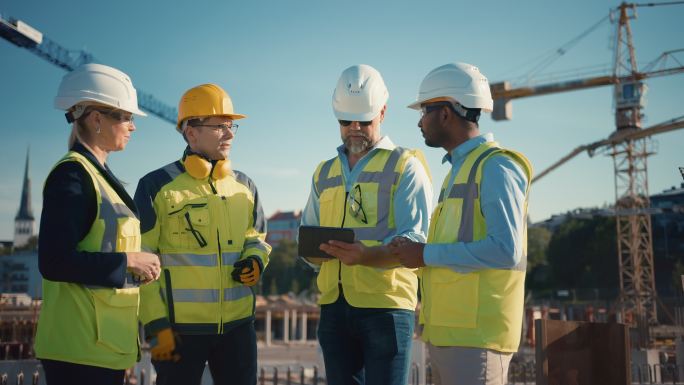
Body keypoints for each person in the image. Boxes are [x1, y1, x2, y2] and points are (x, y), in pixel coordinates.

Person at [391, 62, 533, 385]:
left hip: (479, 340)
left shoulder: (496, 167)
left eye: (425, 110)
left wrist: (425, 254)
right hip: (450, 336)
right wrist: (414, 253)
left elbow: (506, 250)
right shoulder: (459, 169)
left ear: (446, 113)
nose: (419, 120)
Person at [301, 64, 433, 385]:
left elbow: (415, 240)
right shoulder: (324, 171)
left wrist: (365, 255)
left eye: (364, 120)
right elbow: (307, 235)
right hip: (334, 306)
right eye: (346, 121)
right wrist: (317, 250)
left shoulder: (405, 166)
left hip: (386, 308)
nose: (355, 128)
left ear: (383, 112)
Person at [134, 83, 271, 385]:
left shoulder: (245, 187)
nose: (230, 134)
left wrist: (256, 260)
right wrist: (156, 325)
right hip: (177, 333)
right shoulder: (155, 187)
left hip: (238, 329)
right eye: (220, 126)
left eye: (231, 125)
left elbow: (257, 239)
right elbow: (141, 261)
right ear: (191, 132)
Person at [34, 63, 160, 385]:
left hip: (101, 345)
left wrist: (132, 268)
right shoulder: (73, 175)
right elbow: (54, 261)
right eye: (126, 117)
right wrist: (128, 261)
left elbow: (97, 250)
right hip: (78, 348)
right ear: (97, 119)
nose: (133, 127)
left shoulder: (99, 176)